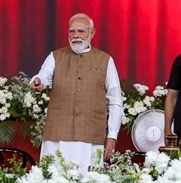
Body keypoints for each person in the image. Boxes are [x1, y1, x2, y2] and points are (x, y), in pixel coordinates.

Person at [30, 13, 123, 168]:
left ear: (92, 33)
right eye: (72, 31)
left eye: (81, 31)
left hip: (91, 134)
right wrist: (38, 82)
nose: (76, 36)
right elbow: (43, 76)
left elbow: (115, 100)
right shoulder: (56, 56)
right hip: (58, 135)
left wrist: (112, 137)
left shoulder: (105, 60)